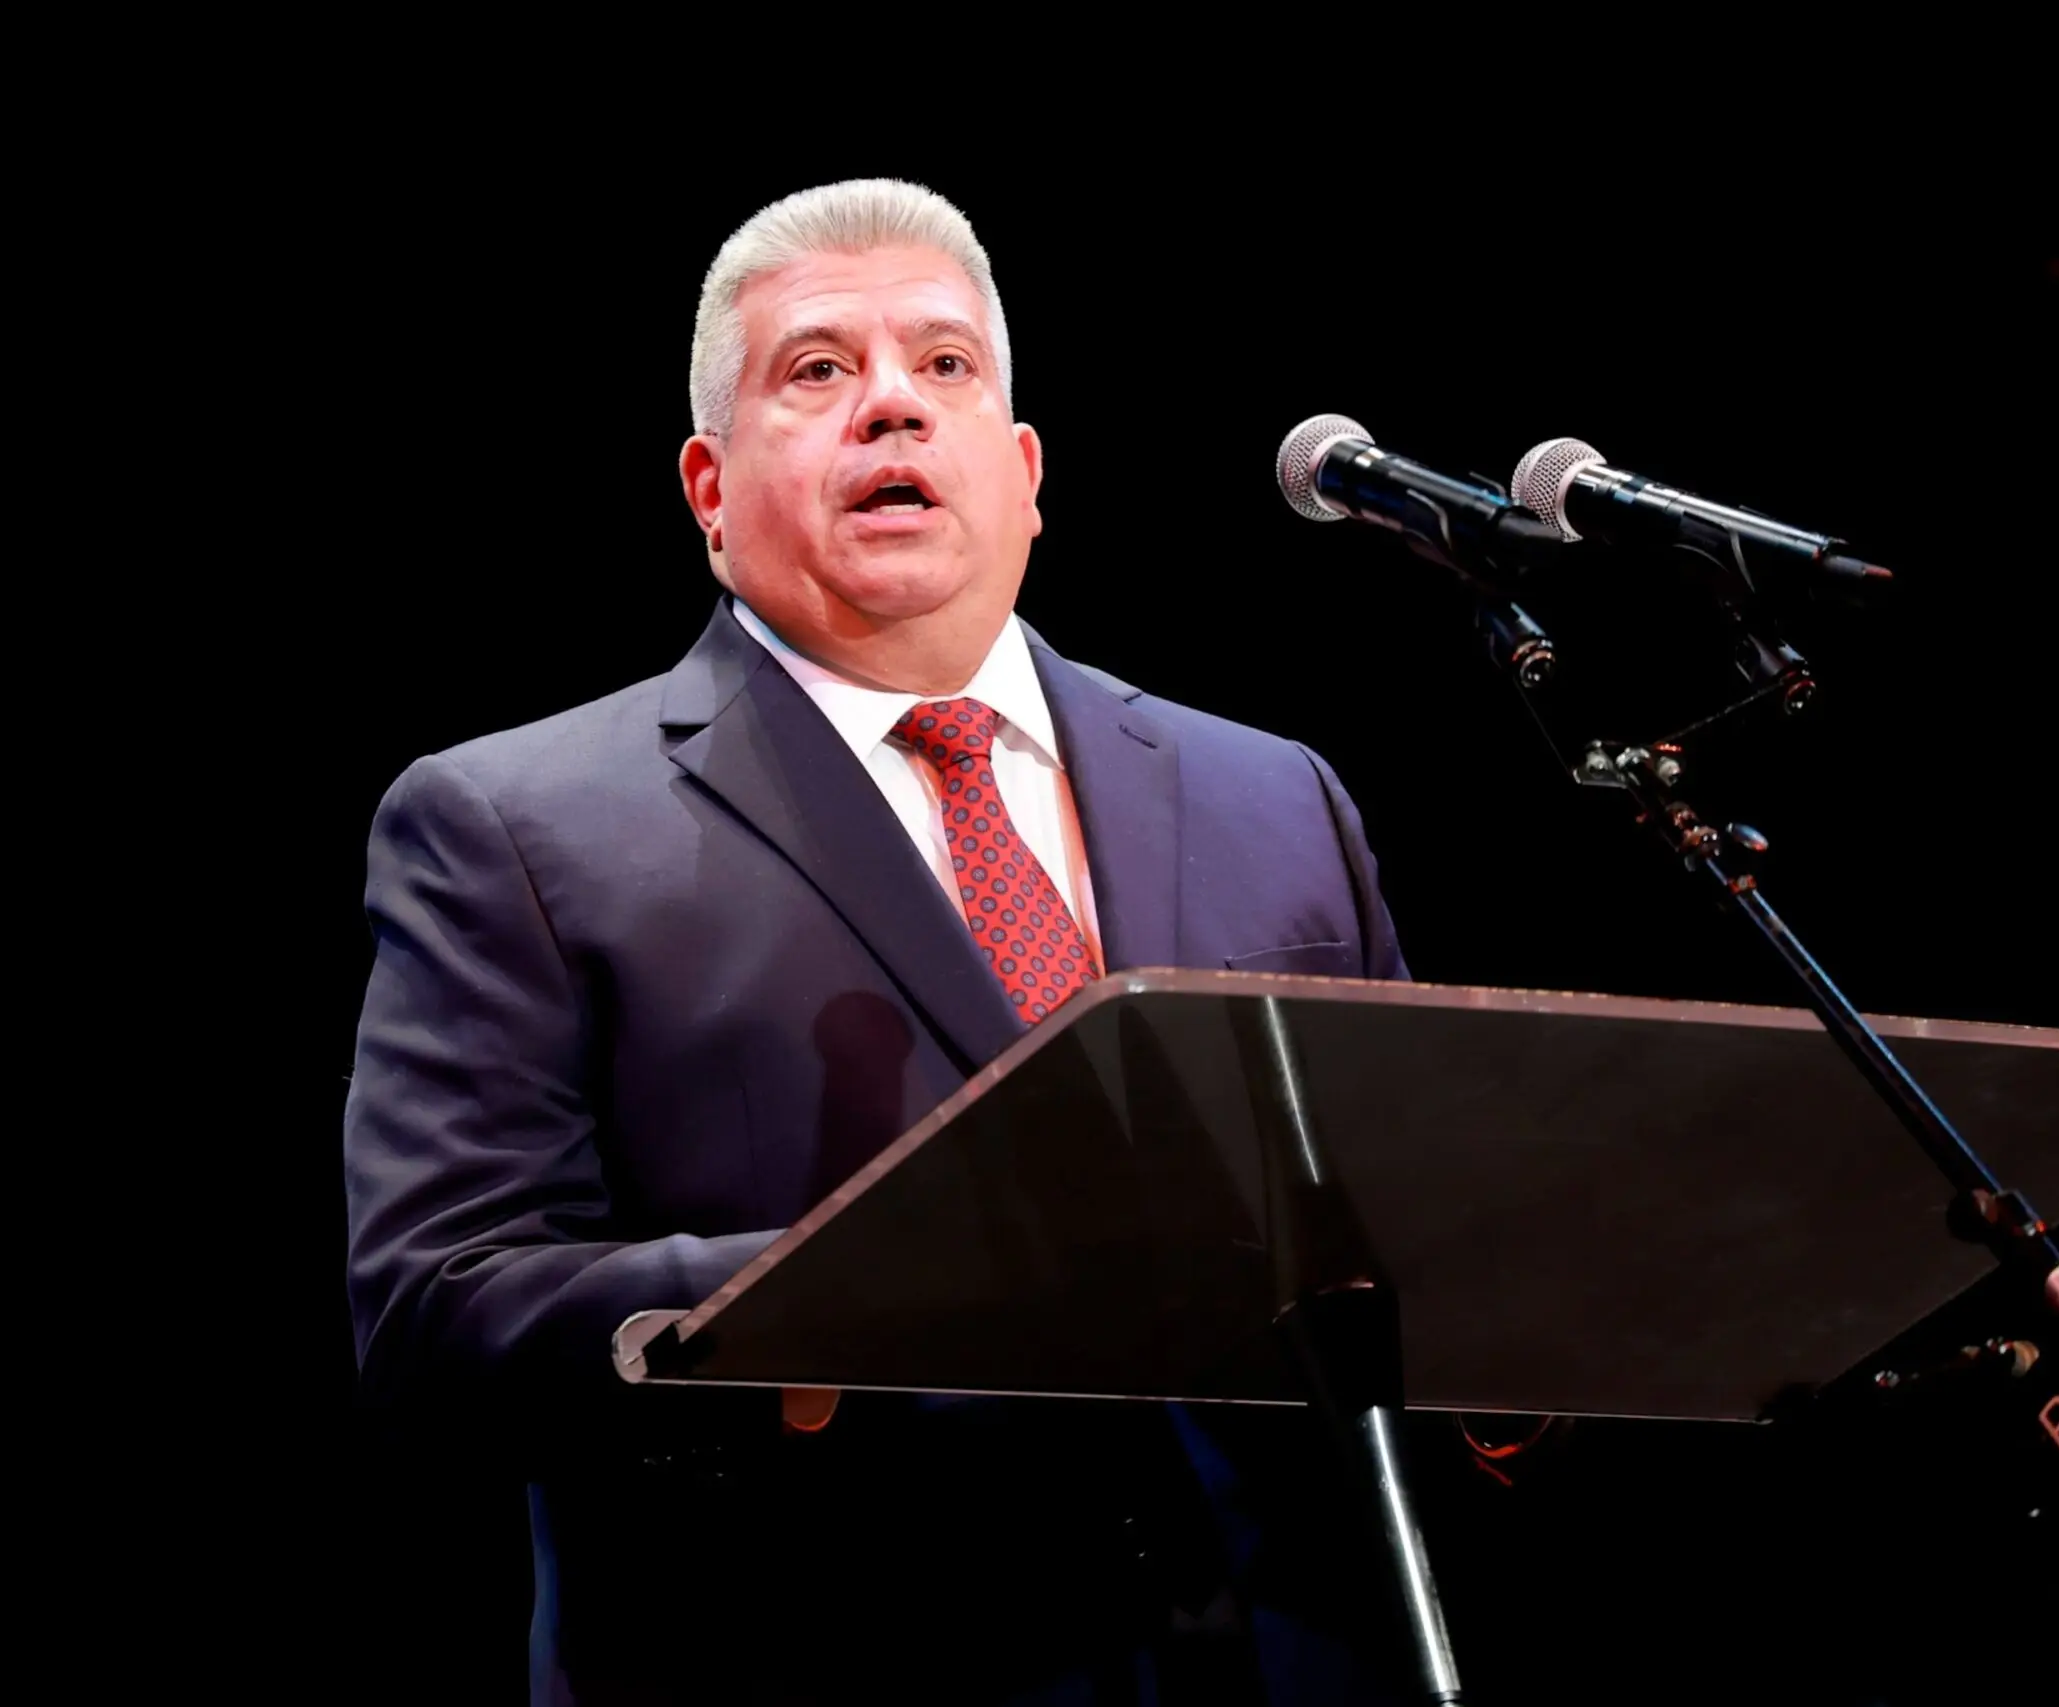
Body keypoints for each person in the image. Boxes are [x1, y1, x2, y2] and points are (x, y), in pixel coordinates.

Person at [344, 179, 1411, 1704]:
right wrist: (846, 1291)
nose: (893, 407)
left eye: (945, 367)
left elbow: (1395, 1246)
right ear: (709, 490)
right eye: (819, 371)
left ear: (1027, 471)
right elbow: (438, 1312)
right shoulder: (516, 826)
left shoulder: (1277, 796)